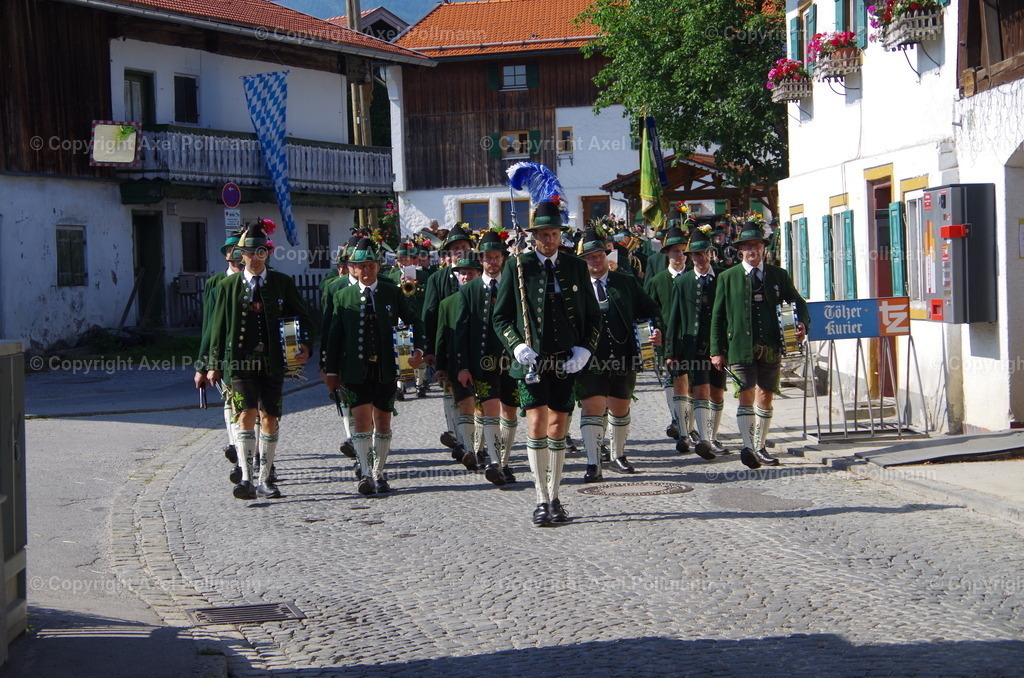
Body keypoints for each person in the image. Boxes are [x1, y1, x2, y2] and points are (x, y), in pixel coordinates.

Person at [493, 201, 602, 526]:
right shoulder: (518, 266)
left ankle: (556, 496)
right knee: (536, 423)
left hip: (566, 361)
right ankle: (541, 498)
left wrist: (585, 349)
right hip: (532, 362)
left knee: (558, 428)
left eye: (554, 233)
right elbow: (500, 318)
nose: (550, 240)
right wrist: (517, 346)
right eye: (544, 234)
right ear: (534, 236)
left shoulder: (575, 267)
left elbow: (593, 317)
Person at [207, 220, 313, 500]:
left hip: (273, 362)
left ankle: (266, 478)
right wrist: (211, 364)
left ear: (268, 253)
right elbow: (217, 327)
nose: (254, 258)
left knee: (269, 418)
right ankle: (245, 477)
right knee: (245, 414)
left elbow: (303, 315)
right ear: (240, 254)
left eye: (260, 252)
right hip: (239, 363)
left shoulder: (282, 283)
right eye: (249, 252)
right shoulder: (228, 286)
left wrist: (305, 343)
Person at [323, 238, 424, 495]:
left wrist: (419, 350)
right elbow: (334, 337)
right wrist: (331, 371)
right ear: (353, 268)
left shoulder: (392, 292)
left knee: (383, 421)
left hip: (386, 370)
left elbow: (415, 321)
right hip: (356, 370)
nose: (366, 271)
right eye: (361, 266)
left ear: (378, 267)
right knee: (360, 420)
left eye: (371, 265)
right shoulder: (342, 295)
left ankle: (379, 472)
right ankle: (366, 474)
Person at [710, 222, 809, 469]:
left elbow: (797, 302)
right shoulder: (727, 277)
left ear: (764, 248)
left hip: (772, 345)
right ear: (740, 249)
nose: (752, 249)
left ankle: (760, 445)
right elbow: (718, 316)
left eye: (756, 245)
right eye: (747, 246)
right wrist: (716, 350)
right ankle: (748, 447)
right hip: (740, 346)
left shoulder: (778, 275)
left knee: (765, 396)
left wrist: (802, 323)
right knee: (745, 395)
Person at [575, 229, 661, 482]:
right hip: (589, 359)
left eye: (599, 255)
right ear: (583, 261)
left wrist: (656, 330)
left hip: (624, 356)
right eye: (589, 257)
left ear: (606, 255)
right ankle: (593, 462)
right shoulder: (575, 288)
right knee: (592, 407)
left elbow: (651, 309)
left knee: (620, 408)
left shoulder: (625, 281)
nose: (595, 260)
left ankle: (618, 455)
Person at [454, 230, 520, 486]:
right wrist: (462, 366)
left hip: (512, 360)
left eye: (496, 257)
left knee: (510, 412)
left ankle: (503, 460)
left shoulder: (514, 285)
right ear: (480, 260)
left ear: (503, 258)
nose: (492, 262)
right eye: (487, 258)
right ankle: (494, 461)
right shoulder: (469, 290)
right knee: (491, 410)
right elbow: (461, 330)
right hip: (482, 362)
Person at [667, 225, 727, 461]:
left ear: (711, 254)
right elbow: (675, 318)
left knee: (718, 393)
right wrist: (671, 351)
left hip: (719, 345)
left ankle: (712, 435)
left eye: (705, 254)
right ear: (690, 257)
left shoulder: (722, 276)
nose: (701, 259)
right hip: (694, 347)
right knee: (700, 390)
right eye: (696, 255)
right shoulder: (682, 283)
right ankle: (705, 439)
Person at [194, 229, 245, 482]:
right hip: (221, 354)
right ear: (226, 256)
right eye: (231, 254)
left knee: (252, 408)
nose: (236, 260)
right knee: (230, 402)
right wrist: (203, 365)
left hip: (250, 354)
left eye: (240, 254)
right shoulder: (215, 283)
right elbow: (209, 324)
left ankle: (253, 455)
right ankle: (236, 447)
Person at [422, 224, 474, 455]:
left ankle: (471, 440)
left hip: (474, 343)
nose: (460, 251)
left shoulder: (477, 271)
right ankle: (455, 434)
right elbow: (430, 315)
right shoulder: (437, 278)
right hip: (448, 344)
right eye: (455, 248)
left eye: (463, 247)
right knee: (450, 389)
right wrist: (430, 349)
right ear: (448, 253)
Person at [644, 224, 694, 449]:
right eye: (675, 251)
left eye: (683, 250)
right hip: (666, 338)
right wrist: (654, 331)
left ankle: (689, 426)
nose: (680, 255)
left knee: (692, 382)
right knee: (673, 379)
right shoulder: (658, 281)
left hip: (690, 338)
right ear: (666, 254)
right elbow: (650, 310)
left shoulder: (694, 277)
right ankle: (678, 419)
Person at [434, 256, 481, 470]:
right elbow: (442, 337)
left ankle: (482, 446)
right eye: (462, 273)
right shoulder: (447, 303)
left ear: (478, 275)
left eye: (470, 273)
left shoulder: (488, 298)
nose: (465, 276)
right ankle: (469, 449)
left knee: (485, 408)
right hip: (456, 363)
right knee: (465, 405)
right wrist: (440, 366)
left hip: (484, 362)